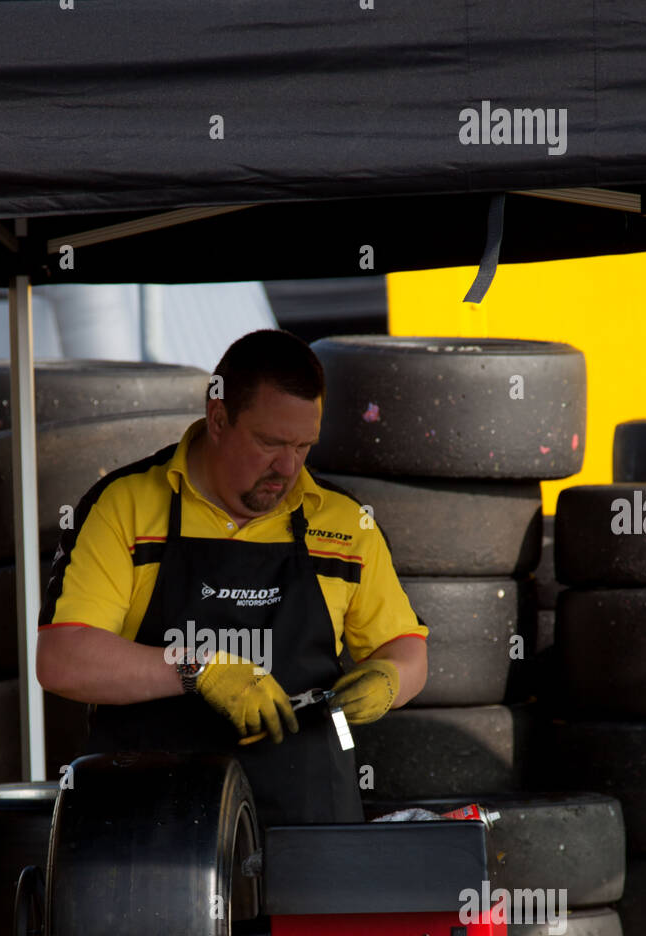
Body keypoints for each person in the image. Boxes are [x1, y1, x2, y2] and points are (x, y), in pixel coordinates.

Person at [36, 329, 428, 826]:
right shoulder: (125, 507)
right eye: (269, 443)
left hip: (308, 822)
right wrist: (195, 669)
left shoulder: (348, 524)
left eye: (303, 446)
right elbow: (62, 660)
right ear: (218, 418)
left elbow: (407, 649)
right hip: (151, 829)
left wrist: (390, 679)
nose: (287, 468)